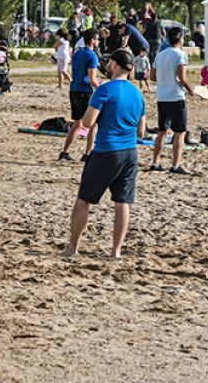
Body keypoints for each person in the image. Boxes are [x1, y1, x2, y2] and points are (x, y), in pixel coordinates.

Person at [61, 49, 147, 258]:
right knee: (122, 202)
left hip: (107, 150)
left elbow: (88, 123)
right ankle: (116, 251)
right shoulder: (138, 93)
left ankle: (73, 248)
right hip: (130, 153)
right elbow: (141, 131)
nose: (107, 66)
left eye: (109, 63)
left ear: (114, 64)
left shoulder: (105, 89)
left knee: (84, 200)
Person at [151, 27, 195, 175]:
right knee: (180, 132)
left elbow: (152, 77)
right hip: (176, 97)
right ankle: (175, 165)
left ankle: (155, 163)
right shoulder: (180, 55)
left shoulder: (160, 55)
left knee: (162, 131)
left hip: (161, 97)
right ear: (180, 39)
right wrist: (191, 90)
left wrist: (165, 79)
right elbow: (183, 78)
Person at [59, 29, 101, 162]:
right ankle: (88, 154)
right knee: (93, 124)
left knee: (77, 123)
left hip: (74, 89)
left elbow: (81, 73)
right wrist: (101, 89)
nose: (99, 41)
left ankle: (65, 152)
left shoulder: (77, 53)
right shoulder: (92, 56)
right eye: (97, 39)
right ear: (93, 40)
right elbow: (92, 78)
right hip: (84, 91)